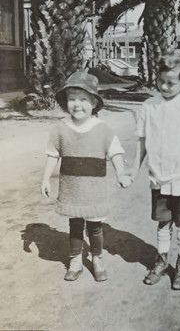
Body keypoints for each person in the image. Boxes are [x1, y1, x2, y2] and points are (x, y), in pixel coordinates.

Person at [131, 49, 180, 290]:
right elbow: (142, 142)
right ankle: (162, 261)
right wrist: (133, 169)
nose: (164, 87)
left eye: (171, 83)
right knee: (163, 222)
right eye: (160, 81)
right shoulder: (148, 106)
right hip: (159, 178)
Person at [41, 71, 131, 283]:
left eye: (83, 99)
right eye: (72, 99)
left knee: (95, 226)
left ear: (94, 103)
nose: (76, 104)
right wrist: (45, 179)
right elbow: (52, 154)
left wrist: (121, 173)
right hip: (72, 189)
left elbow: (115, 152)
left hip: (94, 189)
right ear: (65, 102)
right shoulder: (60, 129)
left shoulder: (103, 130)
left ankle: (97, 258)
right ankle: (75, 261)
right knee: (74, 225)